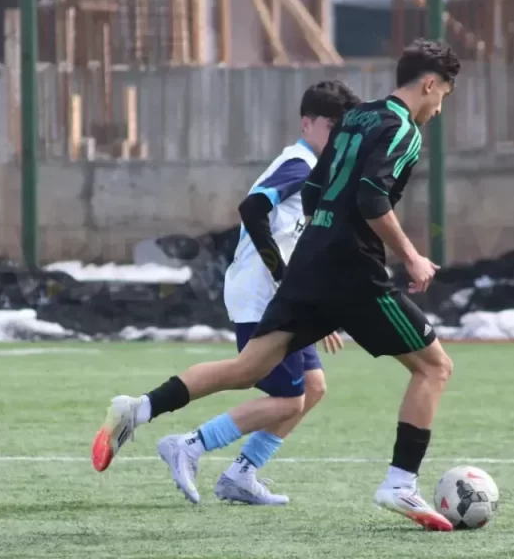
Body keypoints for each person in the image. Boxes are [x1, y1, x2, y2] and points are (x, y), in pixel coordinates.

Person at [92, 38, 460, 531]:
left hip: (309, 266)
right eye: (444, 96)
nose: (439, 108)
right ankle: (400, 483)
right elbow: (373, 198)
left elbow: (313, 190)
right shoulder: (403, 130)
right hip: (353, 270)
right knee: (434, 368)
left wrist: (319, 251)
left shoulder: (357, 118)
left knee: (251, 368)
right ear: (430, 84)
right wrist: (412, 257)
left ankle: (138, 410)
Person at [149, 80, 360, 506]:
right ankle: (189, 444)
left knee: (313, 387)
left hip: (284, 299)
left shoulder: (317, 171)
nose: (338, 137)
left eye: (344, 129)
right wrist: (284, 278)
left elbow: (297, 241)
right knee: (284, 398)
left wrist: (314, 302)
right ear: (307, 123)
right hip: (262, 298)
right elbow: (251, 209)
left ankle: (241, 475)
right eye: (331, 126)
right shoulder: (299, 165)